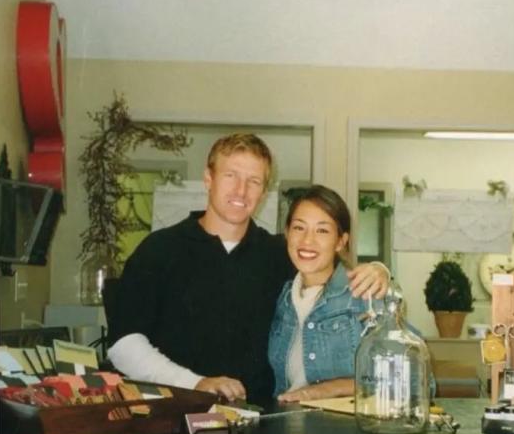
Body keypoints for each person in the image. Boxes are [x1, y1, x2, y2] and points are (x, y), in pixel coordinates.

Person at [106, 133, 388, 403]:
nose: (241, 190)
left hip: (259, 430)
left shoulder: (280, 254)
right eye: (231, 176)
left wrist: (379, 271)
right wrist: (196, 383)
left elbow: (332, 275)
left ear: (264, 192)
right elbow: (124, 346)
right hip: (174, 423)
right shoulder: (159, 250)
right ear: (208, 178)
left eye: (253, 181)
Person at [267, 185, 367, 403]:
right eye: (299, 228)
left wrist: (321, 391)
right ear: (287, 233)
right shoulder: (282, 298)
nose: (307, 240)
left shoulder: (364, 295)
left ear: (341, 241)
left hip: (344, 433)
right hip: (286, 429)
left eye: (322, 230)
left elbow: (417, 380)